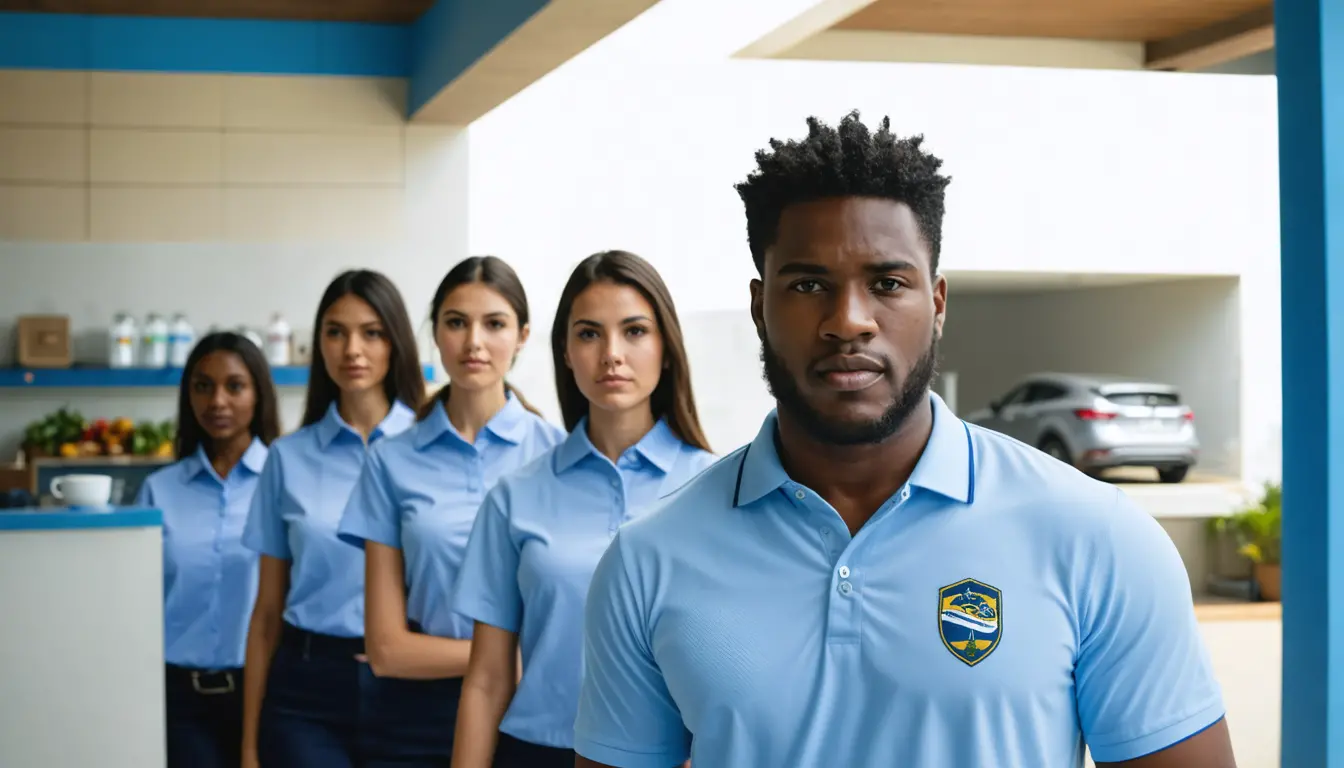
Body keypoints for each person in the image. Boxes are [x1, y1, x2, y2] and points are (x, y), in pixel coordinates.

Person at [574, 112, 1238, 768]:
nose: (849, 321)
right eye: (809, 285)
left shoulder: (1098, 537)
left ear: (939, 302)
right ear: (759, 307)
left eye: (887, 283)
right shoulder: (649, 558)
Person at [449, 250, 716, 768]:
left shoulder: (718, 487)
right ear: (566, 352)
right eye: (589, 334)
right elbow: (487, 679)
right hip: (534, 753)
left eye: (635, 331)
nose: (611, 354)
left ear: (667, 348)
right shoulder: (514, 495)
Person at [334, 256, 565, 765]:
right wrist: (516, 657)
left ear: (523, 336)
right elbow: (387, 649)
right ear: (434, 333)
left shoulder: (559, 456)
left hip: (533, 718)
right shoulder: (391, 461)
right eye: (456, 322)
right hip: (412, 722)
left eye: (494, 324)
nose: (473, 342)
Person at [240, 269, 425, 768]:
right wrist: (250, 746)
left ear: (396, 343)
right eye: (336, 332)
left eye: (372, 332)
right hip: (307, 690)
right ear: (318, 345)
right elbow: (266, 611)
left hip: (414, 687)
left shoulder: (431, 449)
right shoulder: (287, 458)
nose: (352, 350)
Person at [136, 332, 281, 768]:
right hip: (181, 698)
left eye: (234, 386)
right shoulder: (157, 490)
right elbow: (138, 603)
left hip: (270, 691)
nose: (217, 400)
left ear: (258, 395)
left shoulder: (284, 479)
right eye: (203, 386)